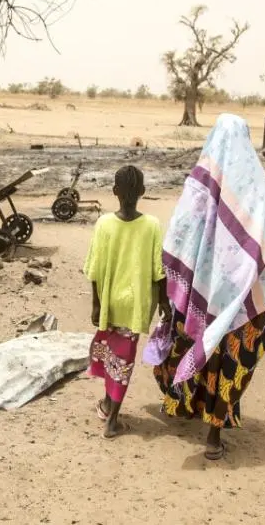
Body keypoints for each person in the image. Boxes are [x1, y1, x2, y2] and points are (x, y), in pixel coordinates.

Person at [153, 113, 265, 460]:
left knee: (196, 345)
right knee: (228, 363)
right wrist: (241, 273)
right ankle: (213, 436)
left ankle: (184, 407)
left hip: (199, 290)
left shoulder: (200, 181)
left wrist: (188, 276)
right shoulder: (259, 189)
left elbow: (180, 232)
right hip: (242, 298)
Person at [83, 165, 171, 438]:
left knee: (112, 354)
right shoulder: (152, 225)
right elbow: (159, 270)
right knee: (122, 360)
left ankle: (110, 411)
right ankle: (111, 416)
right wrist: (164, 302)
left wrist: (96, 304)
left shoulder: (104, 224)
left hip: (109, 302)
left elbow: (94, 269)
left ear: (114, 191)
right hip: (134, 306)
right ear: (142, 191)